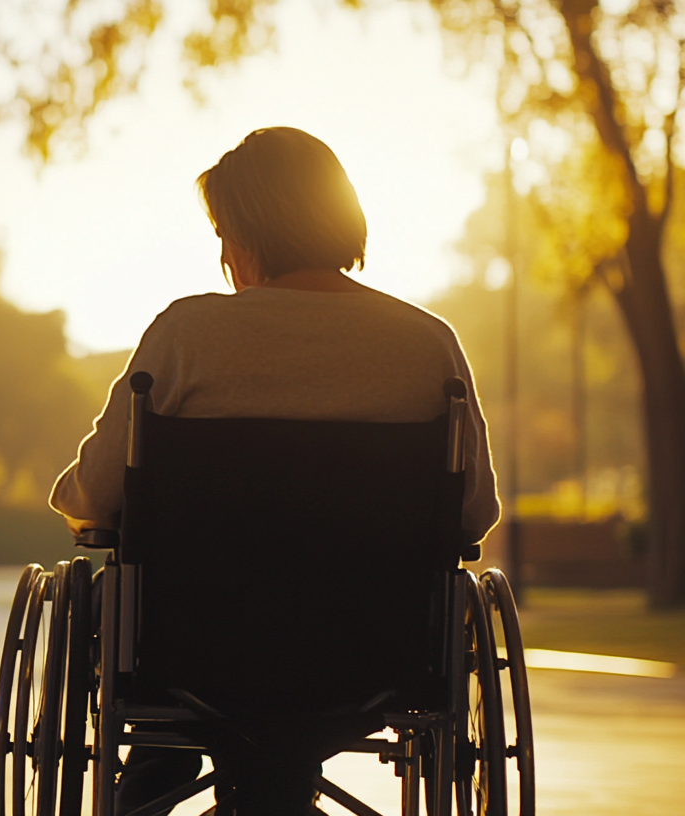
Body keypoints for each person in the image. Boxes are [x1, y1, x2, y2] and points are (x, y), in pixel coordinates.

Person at [50, 127, 500, 815]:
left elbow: (96, 495)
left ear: (251, 234)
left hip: (196, 655)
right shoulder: (425, 344)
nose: (224, 255)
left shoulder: (185, 336)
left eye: (226, 233)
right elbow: (472, 515)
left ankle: (160, 763)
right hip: (377, 656)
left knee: (120, 604)